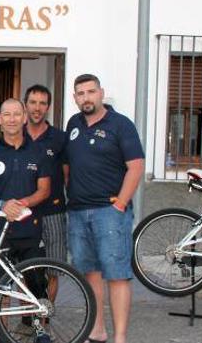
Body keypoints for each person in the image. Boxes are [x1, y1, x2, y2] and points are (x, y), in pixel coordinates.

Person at [65, 74, 145, 343]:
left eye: (91, 92)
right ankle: (97, 331)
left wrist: (121, 203)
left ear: (101, 93)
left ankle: (120, 337)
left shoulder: (121, 125)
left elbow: (136, 166)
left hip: (109, 213)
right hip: (77, 212)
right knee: (90, 273)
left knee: (117, 274)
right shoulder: (73, 124)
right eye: (80, 93)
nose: (86, 97)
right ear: (75, 98)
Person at [0, 99, 51, 340]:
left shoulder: (38, 150)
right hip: (1, 229)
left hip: (30, 227)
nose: (12, 119)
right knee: (1, 287)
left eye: (17, 114)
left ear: (25, 117)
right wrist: (1, 205)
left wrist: (21, 205)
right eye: (7, 115)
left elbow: (45, 190)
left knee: (35, 282)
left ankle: (39, 329)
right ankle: (3, 334)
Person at [23, 84, 68, 302]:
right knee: (22, 269)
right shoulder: (16, 135)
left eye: (42, 103)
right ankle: (26, 320)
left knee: (53, 268)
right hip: (23, 213)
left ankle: (44, 319)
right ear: (26, 104)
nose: (37, 108)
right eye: (33, 102)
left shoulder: (60, 138)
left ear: (48, 107)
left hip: (53, 212)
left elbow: (67, 175)